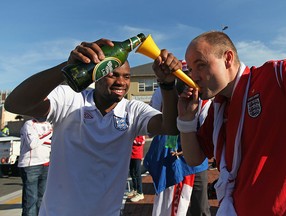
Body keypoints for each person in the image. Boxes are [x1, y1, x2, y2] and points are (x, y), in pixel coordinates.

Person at [4, 37, 181, 216]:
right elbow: (14, 104)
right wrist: (65, 68)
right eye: (113, 74)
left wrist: (167, 84)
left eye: (126, 77)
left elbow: (170, 127)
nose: (121, 82)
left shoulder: (132, 110)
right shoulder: (70, 97)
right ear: (97, 74)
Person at [177, 31, 286, 215]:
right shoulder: (218, 108)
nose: (193, 77)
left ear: (228, 58)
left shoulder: (274, 76)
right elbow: (194, 158)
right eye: (190, 69)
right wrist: (186, 120)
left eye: (201, 65)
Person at [146, 60, 211, 216]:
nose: (188, 81)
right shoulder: (162, 92)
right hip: (170, 151)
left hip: (196, 160)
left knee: (200, 204)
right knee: (169, 203)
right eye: (182, 77)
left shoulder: (203, 95)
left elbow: (206, 130)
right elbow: (155, 122)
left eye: (190, 76)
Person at [18, 118, 53, 216]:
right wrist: (50, 134)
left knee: (42, 200)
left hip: (46, 164)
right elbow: (32, 144)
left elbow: (55, 141)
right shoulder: (29, 124)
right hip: (31, 165)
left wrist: (41, 139)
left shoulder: (49, 124)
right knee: (31, 201)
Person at [126, 135, 146, 202]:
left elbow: (142, 141)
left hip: (137, 155)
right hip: (130, 154)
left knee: (137, 173)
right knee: (132, 172)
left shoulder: (139, 131)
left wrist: (133, 140)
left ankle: (140, 193)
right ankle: (135, 189)